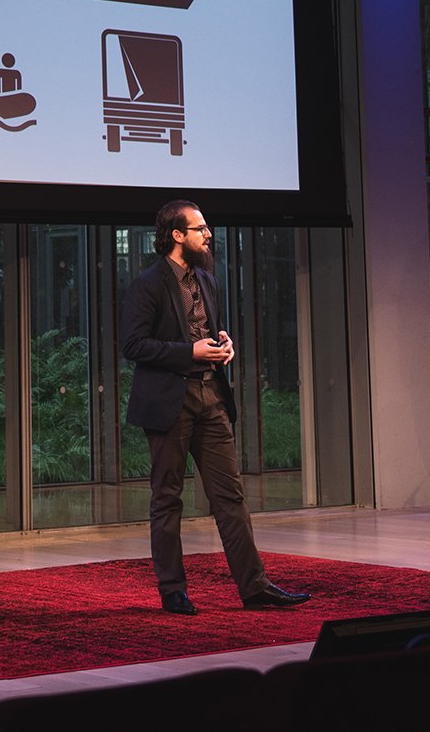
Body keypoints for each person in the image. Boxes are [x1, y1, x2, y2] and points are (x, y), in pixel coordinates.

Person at [121, 199, 311, 616]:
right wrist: (189, 350)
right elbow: (133, 346)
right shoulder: (148, 284)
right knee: (167, 498)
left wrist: (223, 346)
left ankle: (255, 586)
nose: (208, 234)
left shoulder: (205, 279)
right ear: (177, 235)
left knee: (231, 497)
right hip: (169, 402)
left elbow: (208, 330)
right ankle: (172, 590)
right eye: (200, 228)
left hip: (211, 396)